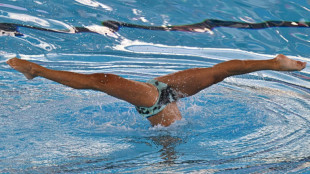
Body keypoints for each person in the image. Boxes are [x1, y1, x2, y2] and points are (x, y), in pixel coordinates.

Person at [6, 55, 307, 126]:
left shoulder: (167, 132)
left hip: (156, 99)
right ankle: (272, 62)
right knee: (219, 72)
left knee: (101, 81)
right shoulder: (169, 131)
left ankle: (37, 71)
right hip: (161, 92)